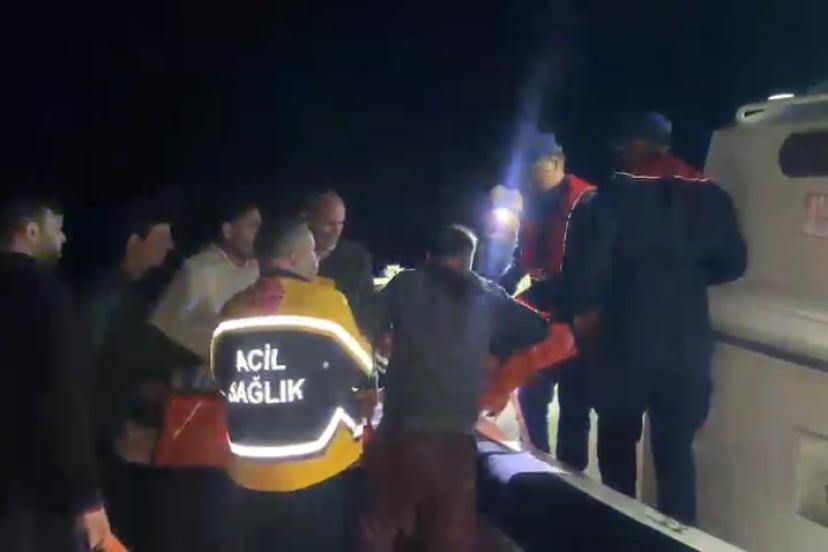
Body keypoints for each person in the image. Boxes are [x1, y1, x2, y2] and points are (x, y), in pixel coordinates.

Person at [564, 112, 748, 524]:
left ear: (633, 145)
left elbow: (588, 275)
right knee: (676, 455)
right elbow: (735, 263)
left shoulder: (608, 199)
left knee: (617, 448)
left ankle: (621, 535)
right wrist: (685, 278)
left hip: (625, 342)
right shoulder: (712, 196)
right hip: (687, 345)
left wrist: (585, 321)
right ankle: (677, 539)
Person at [357, 225, 554, 552]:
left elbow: (362, 326)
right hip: (455, 444)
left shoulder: (405, 284)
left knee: (380, 531)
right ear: (469, 259)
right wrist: (494, 358)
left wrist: (386, 342)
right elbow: (538, 330)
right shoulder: (487, 294)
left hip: (399, 434)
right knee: (449, 540)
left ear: (428, 256)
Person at [215, 216, 372, 551]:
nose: (317, 258)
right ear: (292, 257)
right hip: (314, 466)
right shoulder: (326, 303)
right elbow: (364, 366)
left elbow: (222, 377)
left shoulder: (232, 309)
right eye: (312, 251)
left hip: (246, 472)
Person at [0, 197, 118, 551]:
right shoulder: (47, 295)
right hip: (35, 489)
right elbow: (65, 397)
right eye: (58, 229)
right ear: (31, 231)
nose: (64, 238)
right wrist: (87, 495)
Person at [84, 199, 189, 551]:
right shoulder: (103, 300)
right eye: (163, 237)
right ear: (134, 241)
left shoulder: (138, 294)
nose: (170, 246)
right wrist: (124, 415)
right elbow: (88, 378)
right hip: (113, 452)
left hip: (134, 442)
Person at [500, 132, 596, 470]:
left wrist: (576, 318)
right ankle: (536, 470)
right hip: (544, 317)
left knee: (574, 409)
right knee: (531, 397)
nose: (526, 175)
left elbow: (594, 271)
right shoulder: (533, 203)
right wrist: (495, 290)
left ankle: (571, 481)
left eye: (532, 165)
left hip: (578, 321)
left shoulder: (588, 205)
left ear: (555, 162)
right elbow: (520, 259)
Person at [151, 199, 261, 367]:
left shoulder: (255, 269)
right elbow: (169, 330)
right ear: (228, 231)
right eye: (252, 226)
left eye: (260, 226)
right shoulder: (199, 269)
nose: (259, 234)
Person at [304, 190, 375, 329]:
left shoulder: (357, 259)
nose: (336, 231)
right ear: (310, 221)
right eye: (329, 224)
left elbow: (369, 309)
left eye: (340, 223)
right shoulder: (294, 257)